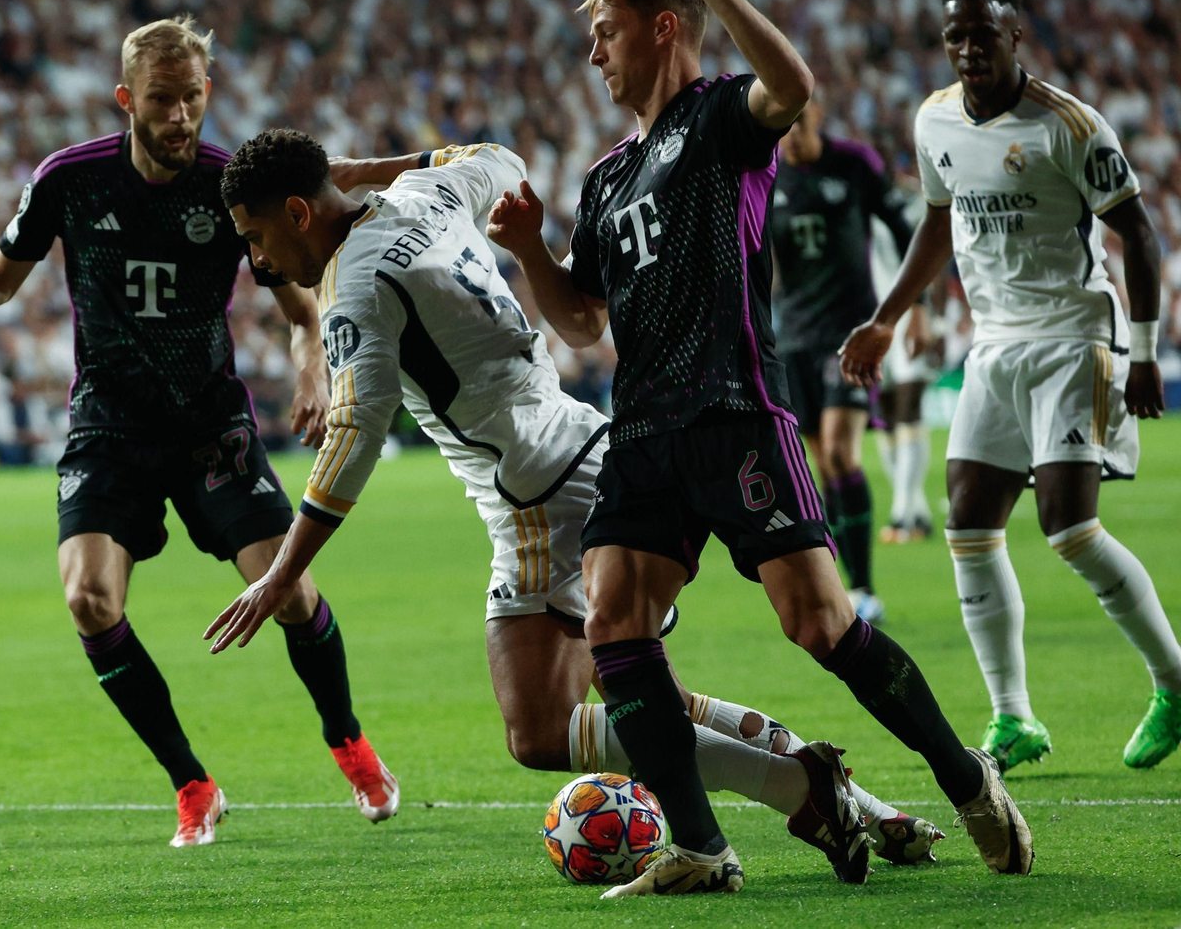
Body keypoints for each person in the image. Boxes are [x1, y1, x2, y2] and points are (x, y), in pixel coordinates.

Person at [205, 129, 943, 878]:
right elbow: (500, 159)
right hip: (583, 445)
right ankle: (866, 806)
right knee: (652, 698)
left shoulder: (353, 287)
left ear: (298, 212)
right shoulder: (422, 192)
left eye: (256, 237)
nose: (258, 261)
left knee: (538, 729)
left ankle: (798, 787)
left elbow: (355, 437)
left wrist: (280, 575)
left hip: (532, 497)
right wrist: (371, 169)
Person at [486, 0, 1032, 894]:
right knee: (615, 627)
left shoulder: (723, 116)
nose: (593, 55)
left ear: (660, 24)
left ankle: (966, 777)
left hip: (734, 409)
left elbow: (795, 87)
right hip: (645, 429)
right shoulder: (606, 177)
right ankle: (699, 847)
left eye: (604, 33)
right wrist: (528, 250)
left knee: (820, 626)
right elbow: (578, 321)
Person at [0, 17, 396, 847]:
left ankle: (348, 740)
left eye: (193, 97)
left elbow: (297, 303)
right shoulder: (70, 180)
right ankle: (192, 783)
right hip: (109, 422)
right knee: (88, 599)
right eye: (163, 101)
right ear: (127, 99)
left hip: (210, 422)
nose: (180, 116)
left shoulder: (228, 183)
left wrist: (311, 365)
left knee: (290, 592)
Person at [841, 0, 1181, 772]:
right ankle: (1013, 718)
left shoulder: (1069, 124)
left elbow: (1138, 235)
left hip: (1073, 335)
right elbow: (934, 224)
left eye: (982, 34)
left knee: (1068, 527)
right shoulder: (934, 123)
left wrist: (1143, 350)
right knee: (967, 526)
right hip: (992, 344)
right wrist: (888, 318)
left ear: (1015, 33)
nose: (967, 48)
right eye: (954, 34)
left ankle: (1173, 680)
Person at [771, 100, 923, 622]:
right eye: (779, 126)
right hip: (792, 337)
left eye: (796, 122)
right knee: (821, 464)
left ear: (816, 112)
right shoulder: (767, 176)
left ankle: (864, 588)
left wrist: (916, 309)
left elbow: (907, 232)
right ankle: (844, 589)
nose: (788, 136)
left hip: (850, 335)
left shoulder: (854, 164)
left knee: (841, 452)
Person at [869, 204, 939, 544]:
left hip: (905, 317)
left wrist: (920, 310)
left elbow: (925, 260)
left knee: (909, 410)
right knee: (886, 416)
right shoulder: (852, 212)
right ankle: (918, 511)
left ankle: (900, 514)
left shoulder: (894, 214)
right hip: (867, 324)